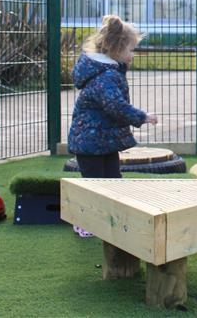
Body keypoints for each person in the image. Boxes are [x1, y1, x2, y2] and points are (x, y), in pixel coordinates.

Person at [67, 15, 158, 237]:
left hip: (102, 140)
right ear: (117, 49)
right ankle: (85, 221)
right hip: (90, 142)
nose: (132, 54)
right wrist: (142, 117)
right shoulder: (105, 76)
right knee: (95, 183)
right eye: (131, 49)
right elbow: (115, 105)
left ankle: (111, 217)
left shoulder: (105, 71)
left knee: (112, 179)